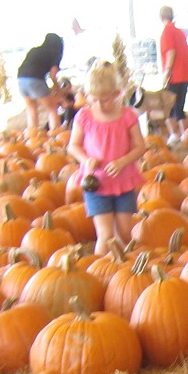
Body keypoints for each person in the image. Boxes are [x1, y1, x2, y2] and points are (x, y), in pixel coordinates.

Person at [67, 61, 146, 255]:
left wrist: (122, 162)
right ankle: (101, 272)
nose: (99, 105)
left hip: (123, 182)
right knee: (105, 234)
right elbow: (73, 146)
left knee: (125, 233)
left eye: (104, 100)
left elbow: (140, 147)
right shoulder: (84, 117)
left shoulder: (127, 116)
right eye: (94, 100)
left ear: (117, 94)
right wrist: (86, 159)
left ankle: (126, 269)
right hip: (96, 184)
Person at [15, 33, 65, 131]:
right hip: (35, 80)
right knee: (52, 108)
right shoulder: (54, 54)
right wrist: (58, 88)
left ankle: (32, 133)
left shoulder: (34, 50)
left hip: (21, 79)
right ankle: (56, 133)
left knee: (31, 108)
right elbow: (53, 74)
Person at [159, 7, 188, 143]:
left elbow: (171, 52)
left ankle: (174, 135)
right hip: (185, 73)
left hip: (175, 75)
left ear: (161, 18)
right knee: (179, 106)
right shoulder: (180, 32)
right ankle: (185, 135)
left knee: (167, 106)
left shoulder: (167, 32)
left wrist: (167, 72)